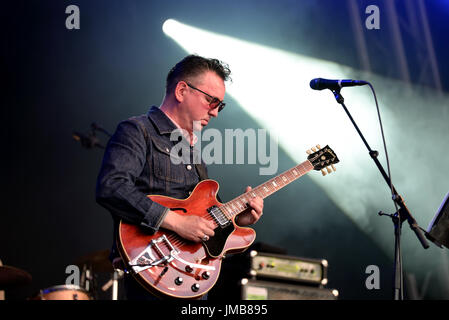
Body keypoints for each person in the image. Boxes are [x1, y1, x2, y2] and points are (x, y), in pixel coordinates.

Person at [95, 55, 264, 300]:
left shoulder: (193, 152)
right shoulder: (138, 131)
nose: (215, 112)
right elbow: (112, 187)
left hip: (191, 275)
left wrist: (238, 218)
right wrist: (176, 222)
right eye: (211, 100)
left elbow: (201, 221)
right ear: (182, 90)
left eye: (220, 105)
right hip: (152, 268)